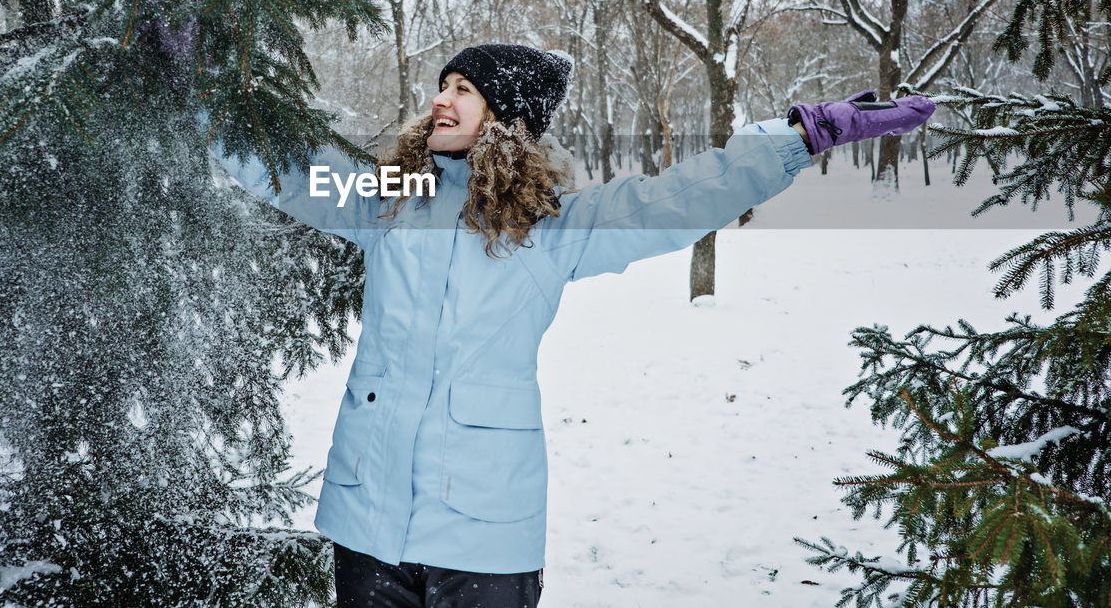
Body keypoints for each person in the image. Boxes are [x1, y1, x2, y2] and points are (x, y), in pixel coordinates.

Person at [211, 43, 935, 608]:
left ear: (504, 112)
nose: (442, 98)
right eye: (443, 85)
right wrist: (196, 96)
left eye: (464, 89)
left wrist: (796, 139)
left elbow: (673, 198)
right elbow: (286, 167)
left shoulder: (551, 228)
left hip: (484, 536)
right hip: (367, 522)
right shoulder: (387, 199)